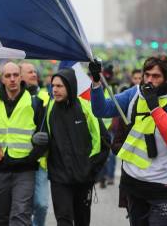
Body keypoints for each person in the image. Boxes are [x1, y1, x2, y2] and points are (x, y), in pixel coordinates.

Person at [89, 55, 167, 225]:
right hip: (134, 184)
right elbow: (101, 109)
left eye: (156, 76)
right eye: (147, 75)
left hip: (162, 187)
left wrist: (155, 107)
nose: (149, 80)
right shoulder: (134, 93)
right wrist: (96, 82)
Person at [0, 62, 48, 226]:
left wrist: (31, 159)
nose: (12, 79)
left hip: (25, 170)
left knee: (20, 215)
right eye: (7, 76)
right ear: (2, 79)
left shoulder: (35, 103)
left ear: (20, 77)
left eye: (15, 75)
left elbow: (45, 137)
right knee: (1, 218)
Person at [47, 67, 109, 226]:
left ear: (70, 86)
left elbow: (104, 141)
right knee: (64, 220)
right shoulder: (49, 110)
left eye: (59, 86)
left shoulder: (87, 108)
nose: (55, 90)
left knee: (82, 221)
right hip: (59, 179)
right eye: (53, 85)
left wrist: (91, 169)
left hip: (83, 178)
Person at [18, 61, 49, 226]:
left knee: (41, 204)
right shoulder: (15, 98)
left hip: (40, 161)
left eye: (35, 71)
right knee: (23, 207)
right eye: (29, 72)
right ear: (20, 75)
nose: (34, 74)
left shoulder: (45, 97)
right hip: (20, 160)